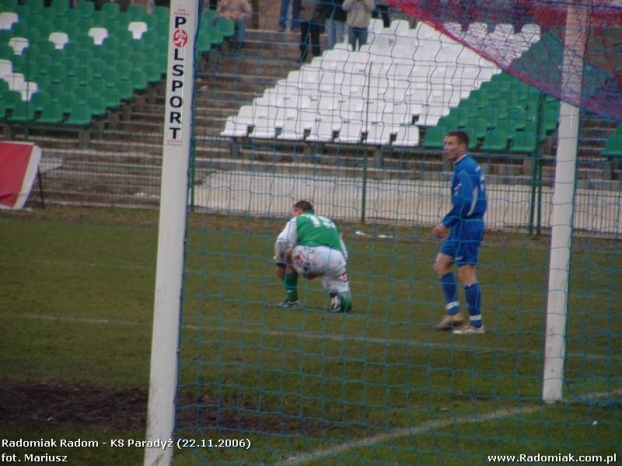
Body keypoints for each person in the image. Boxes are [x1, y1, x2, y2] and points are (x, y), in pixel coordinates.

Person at [433, 130, 487, 334]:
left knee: (466, 274)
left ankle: (476, 325)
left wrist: (444, 224)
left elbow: (464, 204)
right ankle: (454, 314)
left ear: (462, 146)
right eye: (445, 143)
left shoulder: (465, 168)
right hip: (461, 225)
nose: (446, 147)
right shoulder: (465, 165)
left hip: (467, 225)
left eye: (451, 143)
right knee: (441, 264)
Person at [274, 200, 353, 313]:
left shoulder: (297, 220)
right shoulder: (330, 222)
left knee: (288, 253)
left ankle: (292, 302)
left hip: (313, 254)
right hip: (338, 259)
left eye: (293, 213)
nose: (292, 216)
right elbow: (344, 253)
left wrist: (279, 263)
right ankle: (340, 300)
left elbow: (282, 240)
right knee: (347, 305)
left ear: (298, 210)